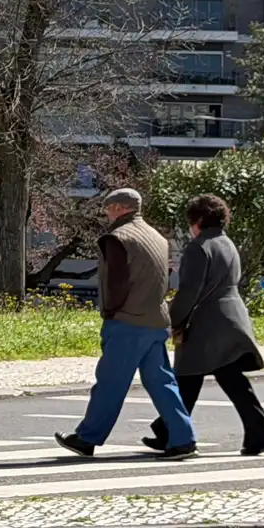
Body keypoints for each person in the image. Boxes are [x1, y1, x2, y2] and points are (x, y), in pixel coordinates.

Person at [55, 187, 198, 460]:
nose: (108, 214)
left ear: (119, 209)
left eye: (109, 209)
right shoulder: (158, 237)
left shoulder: (117, 238)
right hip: (156, 320)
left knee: (110, 382)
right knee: (162, 382)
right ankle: (183, 438)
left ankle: (87, 438)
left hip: (127, 321)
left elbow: (116, 282)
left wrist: (110, 310)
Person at [144, 193, 264, 457]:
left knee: (189, 375)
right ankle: (172, 430)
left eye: (191, 220)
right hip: (233, 317)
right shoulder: (227, 243)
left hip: (207, 322)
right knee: (224, 378)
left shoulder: (198, 247)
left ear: (199, 220)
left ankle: (173, 431)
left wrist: (172, 319)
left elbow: (189, 290)